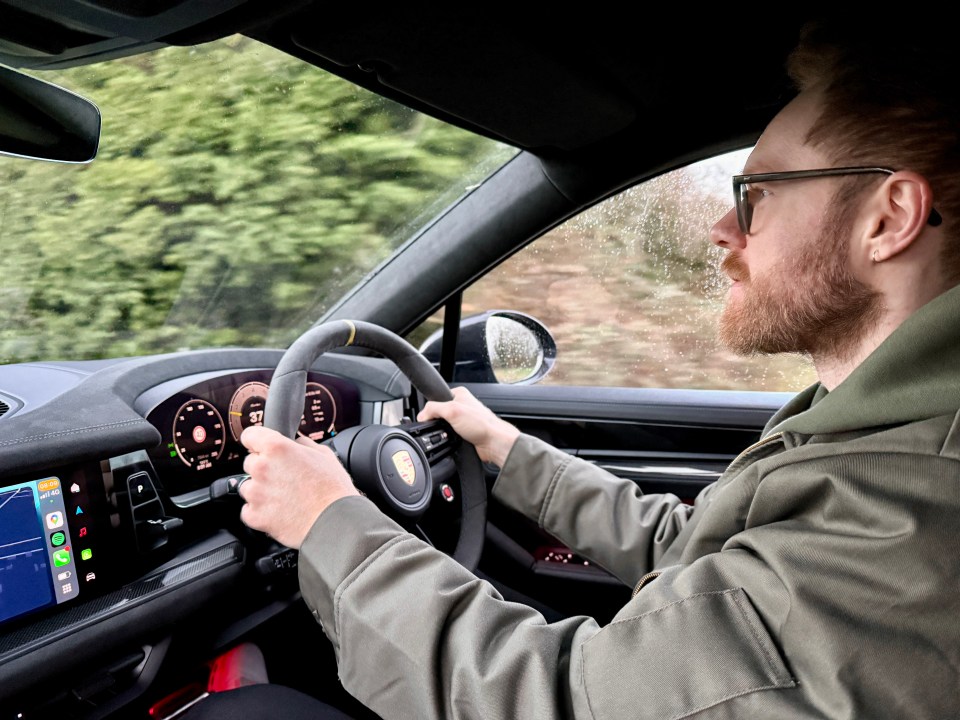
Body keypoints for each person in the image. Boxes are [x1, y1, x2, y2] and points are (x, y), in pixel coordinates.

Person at [184, 17, 960, 720]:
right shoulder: (868, 434)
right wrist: (506, 451)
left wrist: (327, 520)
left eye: (755, 193)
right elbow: (692, 553)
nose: (722, 230)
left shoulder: (909, 505)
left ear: (887, 219)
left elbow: (557, 698)